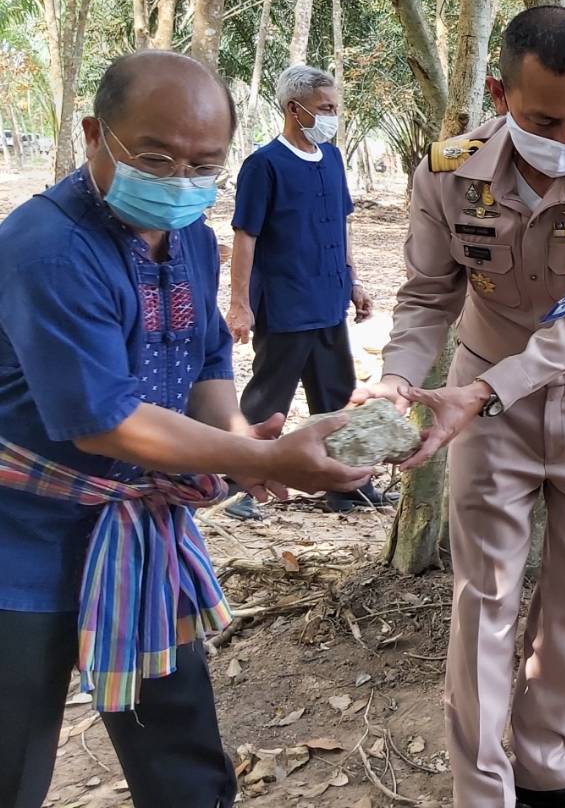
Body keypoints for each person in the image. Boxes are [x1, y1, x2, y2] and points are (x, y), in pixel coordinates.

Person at [0, 51, 371, 808]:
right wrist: (253, 455)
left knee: (181, 754)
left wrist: (249, 444)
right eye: (156, 156)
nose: (180, 180)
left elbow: (204, 366)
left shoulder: (196, 242)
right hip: (22, 546)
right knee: (13, 754)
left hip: (141, 541)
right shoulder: (49, 248)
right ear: (94, 134)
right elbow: (105, 421)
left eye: (204, 162)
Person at [355, 7, 565, 808]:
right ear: (499, 93)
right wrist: (396, 378)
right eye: (545, 119)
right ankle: (482, 790)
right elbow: (428, 295)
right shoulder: (446, 173)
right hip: (484, 411)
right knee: (483, 599)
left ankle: (552, 768)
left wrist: (481, 392)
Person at [228, 64, 383, 517]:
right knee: (267, 397)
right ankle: (240, 485)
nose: (333, 116)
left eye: (335, 108)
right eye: (326, 108)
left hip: (329, 300)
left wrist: (354, 282)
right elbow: (245, 237)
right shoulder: (263, 165)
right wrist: (240, 304)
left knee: (336, 394)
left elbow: (342, 225)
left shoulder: (332, 159)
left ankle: (346, 486)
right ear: (295, 110)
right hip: (285, 303)